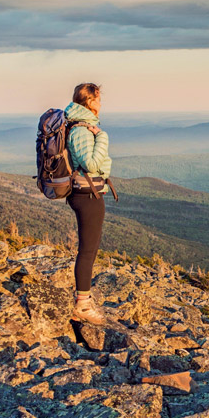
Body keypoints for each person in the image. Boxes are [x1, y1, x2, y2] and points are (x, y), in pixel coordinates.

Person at [65, 83, 112, 325]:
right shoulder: (82, 130)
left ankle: (83, 300)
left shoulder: (78, 126)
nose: (101, 104)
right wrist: (102, 137)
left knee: (89, 248)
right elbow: (91, 164)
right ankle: (82, 305)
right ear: (88, 101)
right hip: (87, 194)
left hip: (85, 192)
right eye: (98, 99)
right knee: (88, 250)